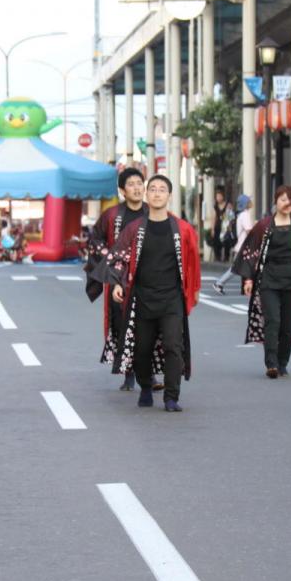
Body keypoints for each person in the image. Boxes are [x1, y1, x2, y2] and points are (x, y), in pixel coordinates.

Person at [96, 174, 201, 411]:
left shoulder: (182, 229)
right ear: (147, 194)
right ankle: (145, 386)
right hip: (142, 298)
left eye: (162, 189)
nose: (156, 193)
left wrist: (194, 290)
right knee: (141, 348)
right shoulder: (135, 229)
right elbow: (118, 258)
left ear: (169, 196)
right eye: (152, 189)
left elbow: (193, 262)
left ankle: (171, 397)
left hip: (172, 298)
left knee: (174, 346)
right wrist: (119, 284)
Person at [233, 185, 291, 378]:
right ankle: (271, 363)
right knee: (273, 321)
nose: (287, 203)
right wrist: (248, 279)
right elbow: (251, 252)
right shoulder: (264, 225)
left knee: (288, 326)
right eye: (283, 199)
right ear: (275, 201)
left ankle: (283, 362)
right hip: (268, 279)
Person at [85, 167, 148, 390]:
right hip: (119, 280)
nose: (137, 188)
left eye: (140, 183)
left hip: (149, 278)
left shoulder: (153, 213)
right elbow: (94, 241)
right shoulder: (111, 216)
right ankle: (129, 371)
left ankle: (148, 373)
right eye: (131, 184)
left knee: (150, 326)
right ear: (122, 190)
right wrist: (111, 259)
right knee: (123, 325)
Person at [212, 194, 254, 294]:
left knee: (241, 268)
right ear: (245, 204)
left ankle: (221, 284)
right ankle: (219, 283)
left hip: (240, 246)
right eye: (249, 201)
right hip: (243, 246)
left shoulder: (241, 215)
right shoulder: (245, 215)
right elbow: (249, 231)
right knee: (237, 268)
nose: (251, 202)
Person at [211, 191, 236, 263]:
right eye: (217, 197)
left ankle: (226, 257)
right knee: (216, 241)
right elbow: (213, 217)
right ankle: (217, 257)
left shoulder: (228, 205)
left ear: (222, 196)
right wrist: (212, 229)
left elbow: (231, 217)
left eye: (219, 196)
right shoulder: (215, 207)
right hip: (218, 226)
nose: (218, 198)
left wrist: (230, 226)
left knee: (226, 241)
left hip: (226, 227)